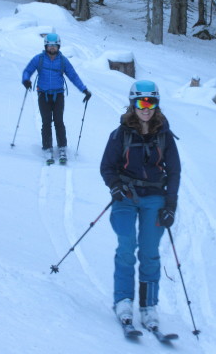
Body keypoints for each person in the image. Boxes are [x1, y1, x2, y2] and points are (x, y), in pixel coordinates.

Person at [100, 80, 181, 330]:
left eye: (151, 102)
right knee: (126, 245)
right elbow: (107, 167)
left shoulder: (165, 136)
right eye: (141, 102)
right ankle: (123, 300)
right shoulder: (120, 134)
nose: (146, 108)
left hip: (154, 197)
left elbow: (175, 172)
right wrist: (115, 185)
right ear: (133, 103)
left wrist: (170, 205)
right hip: (125, 196)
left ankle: (148, 306)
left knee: (149, 252)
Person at [22, 33, 91, 163]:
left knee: (59, 122)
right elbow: (28, 70)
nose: (52, 48)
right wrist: (26, 80)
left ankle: (62, 148)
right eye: (50, 46)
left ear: (58, 46)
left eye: (54, 46)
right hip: (43, 94)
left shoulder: (63, 61)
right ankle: (47, 148)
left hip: (58, 95)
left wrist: (84, 90)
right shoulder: (39, 59)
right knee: (46, 122)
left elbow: (73, 76)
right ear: (46, 46)